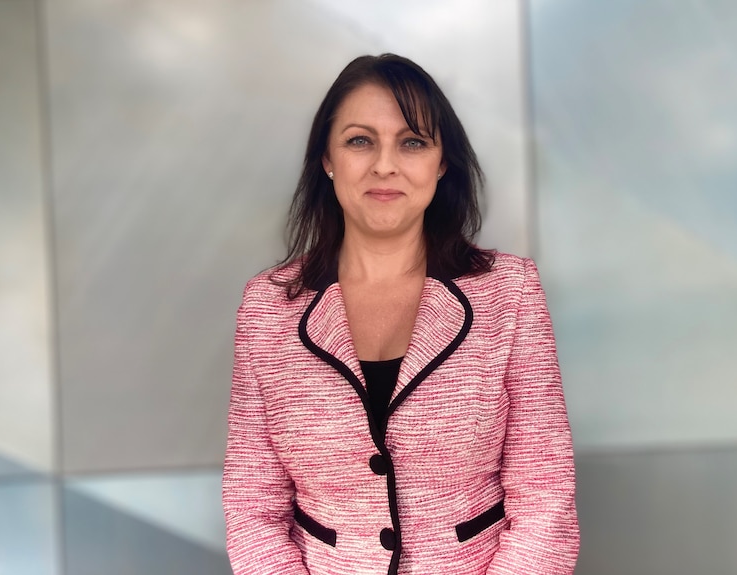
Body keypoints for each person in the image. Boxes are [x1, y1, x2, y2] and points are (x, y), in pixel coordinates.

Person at [223, 53, 579, 575]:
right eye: (359, 140)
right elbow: (253, 509)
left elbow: (545, 496)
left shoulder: (510, 292)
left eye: (412, 142)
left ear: (441, 163)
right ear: (327, 158)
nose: (385, 164)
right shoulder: (268, 307)